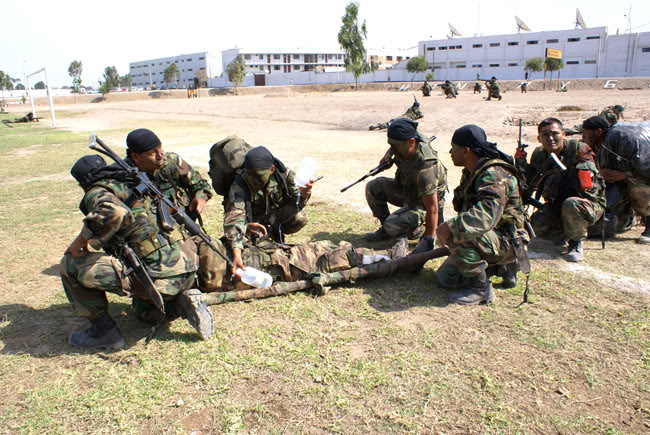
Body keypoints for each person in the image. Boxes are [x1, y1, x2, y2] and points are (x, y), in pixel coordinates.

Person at [60, 155, 214, 350]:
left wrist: (80, 241)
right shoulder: (133, 182)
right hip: (187, 270)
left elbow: (115, 212)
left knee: (69, 263)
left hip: (158, 278)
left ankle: (103, 332)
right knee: (143, 313)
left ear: (82, 184)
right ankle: (183, 302)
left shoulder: (96, 191)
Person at [436, 125, 529, 305]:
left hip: (508, 239)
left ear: (466, 151)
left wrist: (449, 227)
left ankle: (480, 289)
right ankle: (501, 268)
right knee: (446, 279)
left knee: (457, 234)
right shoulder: (472, 172)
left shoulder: (493, 175)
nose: (450, 152)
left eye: (453, 147)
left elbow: (486, 215)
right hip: (493, 237)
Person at [515, 118, 605, 261]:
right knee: (538, 223)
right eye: (545, 135)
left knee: (571, 204)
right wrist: (521, 165)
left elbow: (588, 188)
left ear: (563, 134)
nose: (550, 138)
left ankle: (576, 243)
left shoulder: (578, 150)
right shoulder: (539, 154)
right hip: (557, 205)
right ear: (539, 138)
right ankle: (564, 233)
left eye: (555, 133)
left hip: (585, 204)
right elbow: (530, 182)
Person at [363, 118, 447, 257]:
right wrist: (388, 154)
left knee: (392, 224)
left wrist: (427, 240)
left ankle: (420, 229)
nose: (393, 148)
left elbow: (432, 208)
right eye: (391, 145)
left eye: (395, 146)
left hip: (423, 203)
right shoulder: (406, 141)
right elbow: (394, 144)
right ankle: (386, 230)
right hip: (408, 190)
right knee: (373, 187)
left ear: (411, 142)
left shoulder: (426, 169)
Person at [224, 146, 313, 272]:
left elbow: (295, 204)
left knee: (300, 217)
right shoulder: (239, 184)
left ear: (271, 170)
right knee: (254, 250)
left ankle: (276, 232)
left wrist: (303, 195)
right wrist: (237, 253)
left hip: (274, 217)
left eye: (259, 176)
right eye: (250, 175)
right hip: (251, 223)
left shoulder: (285, 176)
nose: (254, 181)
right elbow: (234, 217)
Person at [581, 116, 650, 244]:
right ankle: (629, 219)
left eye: (585, 133)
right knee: (609, 226)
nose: (583, 137)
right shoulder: (600, 146)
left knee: (639, 190)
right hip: (623, 186)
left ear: (598, 132)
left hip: (642, 183)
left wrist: (624, 175)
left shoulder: (624, 140)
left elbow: (646, 172)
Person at [124, 128, 213, 221]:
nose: (160, 155)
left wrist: (201, 197)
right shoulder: (122, 177)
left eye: (160, 148)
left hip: (183, 224)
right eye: (152, 153)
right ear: (135, 156)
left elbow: (201, 185)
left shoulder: (172, 161)